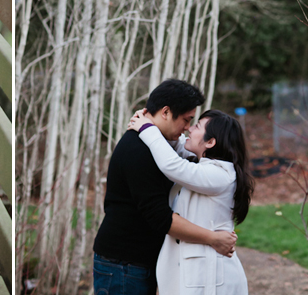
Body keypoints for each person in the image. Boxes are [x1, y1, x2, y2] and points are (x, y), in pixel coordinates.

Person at [92, 79, 238, 295]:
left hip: (134, 263)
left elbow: (181, 161)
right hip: (123, 264)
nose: (187, 127)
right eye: (186, 120)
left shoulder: (156, 145)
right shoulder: (138, 149)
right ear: (166, 112)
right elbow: (161, 217)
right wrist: (214, 238)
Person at [128, 108, 253, 295]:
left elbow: (172, 165)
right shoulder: (204, 167)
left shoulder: (220, 175)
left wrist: (147, 127)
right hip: (200, 275)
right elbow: (173, 148)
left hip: (211, 279)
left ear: (210, 142)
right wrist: (154, 122)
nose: (189, 129)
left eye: (197, 126)